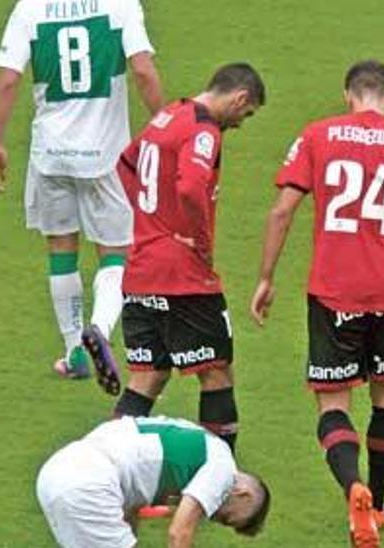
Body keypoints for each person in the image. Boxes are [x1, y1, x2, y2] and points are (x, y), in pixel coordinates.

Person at [249, 60, 384, 548]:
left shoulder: (317, 135)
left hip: (333, 291)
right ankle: (378, 503)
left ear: (348, 94)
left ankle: (354, 490)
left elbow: (283, 209)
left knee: (333, 403)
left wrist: (265, 276)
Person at [0, 0, 165, 381]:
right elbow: (143, 70)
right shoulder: (121, 6)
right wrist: (163, 125)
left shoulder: (29, 9)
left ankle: (73, 352)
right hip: (105, 155)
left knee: (60, 249)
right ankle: (98, 329)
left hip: (50, 154)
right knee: (115, 253)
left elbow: (8, 79)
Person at [100, 64, 266, 454]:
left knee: (149, 375)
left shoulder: (167, 114)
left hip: (142, 269)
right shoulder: (203, 128)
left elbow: (126, 165)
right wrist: (199, 240)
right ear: (240, 98)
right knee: (216, 372)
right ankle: (220, 477)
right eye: (247, 113)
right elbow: (192, 186)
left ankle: (108, 466)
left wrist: (150, 218)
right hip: (183, 275)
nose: (241, 123)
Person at [36, 415, 271, 548]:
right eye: (227, 518)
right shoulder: (223, 470)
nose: (213, 517)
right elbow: (179, 534)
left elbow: (130, 509)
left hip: (57, 471)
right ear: (243, 495)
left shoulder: (194, 440)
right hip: (89, 485)